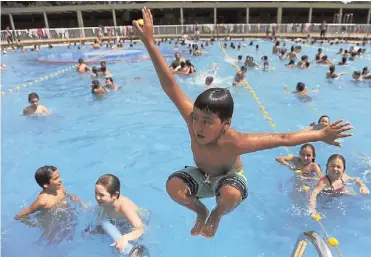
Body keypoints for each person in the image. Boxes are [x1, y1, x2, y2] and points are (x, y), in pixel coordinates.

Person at [132, 7, 353, 238]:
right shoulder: (192, 120)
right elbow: (169, 85)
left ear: (225, 124)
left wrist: (321, 135)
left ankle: (216, 213)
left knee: (230, 194)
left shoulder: (235, 141)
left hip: (230, 181)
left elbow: (282, 138)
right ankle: (201, 210)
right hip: (202, 175)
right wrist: (150, 43)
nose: (198, 127)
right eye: (196, 118)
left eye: (207, 122)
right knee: (173, 186)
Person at [15, 165, 82, 220]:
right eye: (56, 178)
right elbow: (19, 216)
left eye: (59, 176)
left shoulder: (59, 187)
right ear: (45, 185)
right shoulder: (42, 201)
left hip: (66, 214)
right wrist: (32, 224)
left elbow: (66, 194)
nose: (60, 180)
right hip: (52, 220)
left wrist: (72, 197)